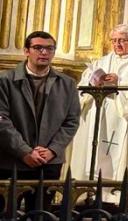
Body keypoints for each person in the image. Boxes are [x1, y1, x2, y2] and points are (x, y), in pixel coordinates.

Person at [70, 24, 128, 184]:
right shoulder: (101, 62)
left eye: (122, 40)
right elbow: (83, 87)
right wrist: (93, 81)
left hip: (123, 117)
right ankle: (89, 191)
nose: (117, 44)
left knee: (120, 158)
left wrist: (121, 81)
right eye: (114, 40)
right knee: (92, 155)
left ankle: (116, 197)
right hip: (98, 115)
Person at [0, 32, 80, 183]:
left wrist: (52, 150)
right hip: (11, 160)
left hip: (48, 162)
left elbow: (72, 121)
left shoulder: (67, 83)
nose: (44, 52)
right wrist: (24, 151)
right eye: (38, 48)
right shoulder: (5, 80)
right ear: (26, 51)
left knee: (42, 207)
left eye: (50, 48)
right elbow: (2, 121)